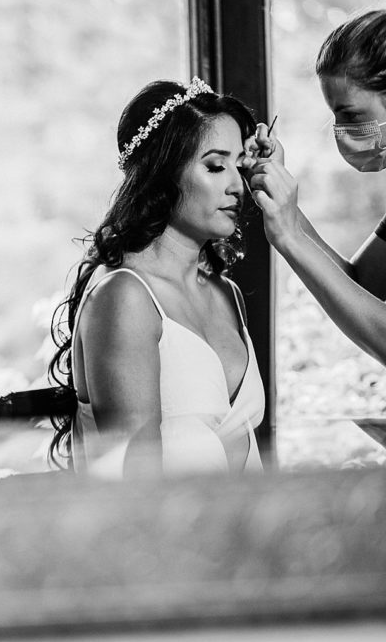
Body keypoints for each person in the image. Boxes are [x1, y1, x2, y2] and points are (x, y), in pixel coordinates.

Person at [47, 78, 263, 478]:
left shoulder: (226, 294)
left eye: (240, 165)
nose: (237, 185)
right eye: (216, 166)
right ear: (163, 174)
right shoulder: (125, 297)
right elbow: (135, 490)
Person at [245, 0, 386, 380]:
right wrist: (283, 205)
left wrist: (290, 238)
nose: (342, 131)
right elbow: (362, 285)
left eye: (350, 114)